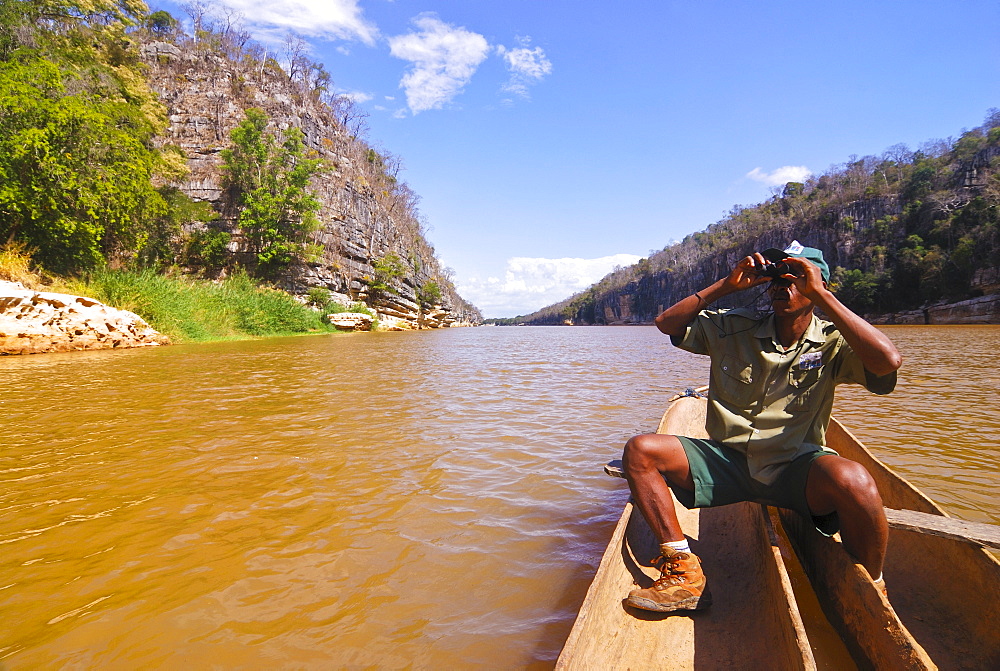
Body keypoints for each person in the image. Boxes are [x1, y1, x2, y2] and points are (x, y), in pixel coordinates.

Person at [622, 242, 902, 613]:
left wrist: (821, 294)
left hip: (796, 470)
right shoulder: (733, 327)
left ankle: (870, 588)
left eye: (797, 280)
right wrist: (726, 286)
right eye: (776, 281)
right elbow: (666, 324)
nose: (783, 288)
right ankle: (684, 570)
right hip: (728, 463)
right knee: (641, 450)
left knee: (856, 481)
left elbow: (888, 361)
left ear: (819, 287)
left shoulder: (835, 341)